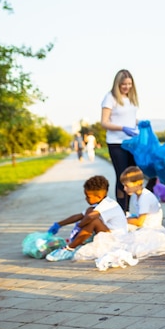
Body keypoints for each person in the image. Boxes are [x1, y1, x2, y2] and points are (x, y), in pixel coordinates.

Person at [46, 175, 127, 261]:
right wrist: (59, 224)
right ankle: (77, 242)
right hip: (108, 234)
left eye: (88, 197)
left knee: (93, 221)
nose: (86, 199)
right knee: (89, 211)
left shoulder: (108, 204)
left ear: (99, 197)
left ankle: (69, 249)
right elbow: (79, 216)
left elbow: (90, 217)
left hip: (116, 240)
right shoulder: (97, 205)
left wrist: (79, 227)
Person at [101, 69, 139, 213]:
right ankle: (122, 211)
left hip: (132, 143)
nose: (127, 87)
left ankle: (129, 210)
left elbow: (130, 118)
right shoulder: (110, 97)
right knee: (122, 176)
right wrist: (123, 128)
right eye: (124, 84)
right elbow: (104, 122)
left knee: (132, 177)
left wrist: (139, 124)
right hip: (116, 143)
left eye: (129, 84)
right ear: (117, 83)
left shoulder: (131, 98)